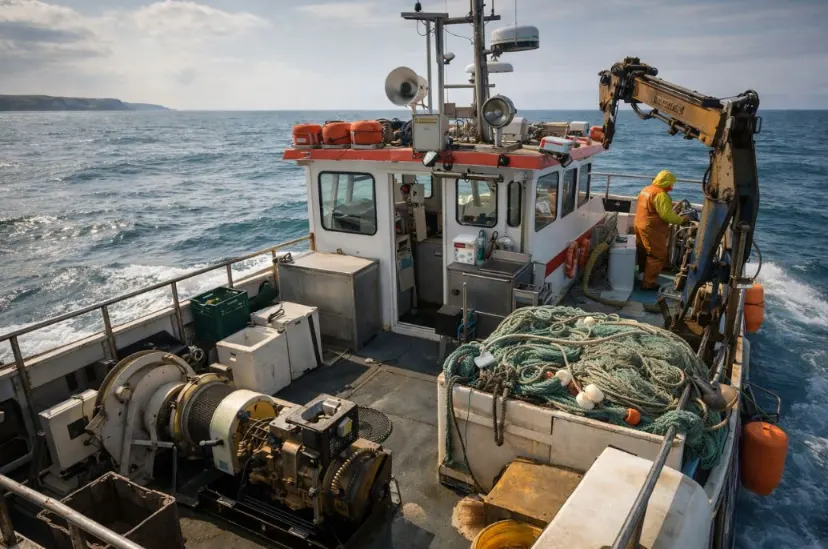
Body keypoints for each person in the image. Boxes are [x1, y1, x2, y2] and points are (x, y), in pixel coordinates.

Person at [634, 170, 689, 290]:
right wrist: (681, 220)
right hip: (651, 228)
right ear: (665, 183)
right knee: (657, 255)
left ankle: (642, 275)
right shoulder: (661, 195)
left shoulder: (647, 189)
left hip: (640, 224)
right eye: (671, 184)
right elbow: (666, 215)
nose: (672, 187)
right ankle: (649, 283)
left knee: (643, 251)